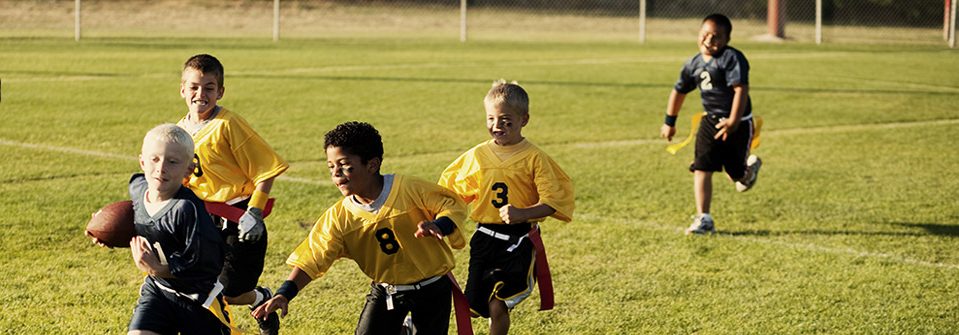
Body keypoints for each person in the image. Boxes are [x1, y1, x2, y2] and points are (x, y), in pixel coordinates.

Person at [251, 121, 469, 334]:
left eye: (345, 165)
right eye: (331, 166)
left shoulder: (409, 189)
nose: (336, 173)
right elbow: (313, 257)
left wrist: (440, 224)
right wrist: (284, 294)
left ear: (372, 165)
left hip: (431, 288)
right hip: (386, 291)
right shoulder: (339, 217)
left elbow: (450, 203)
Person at [438, 80, 575, 335]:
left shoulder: (535, 157)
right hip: (483, 240)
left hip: (518, 242)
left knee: (497, 304)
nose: (497, 126)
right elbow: (452, 192)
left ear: (524, 119)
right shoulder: (478, 155)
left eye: (505, 120)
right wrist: (438, 220)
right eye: (491, 119)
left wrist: (523, 213)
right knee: (472, 305)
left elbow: (552, 202)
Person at [176, 54, 288, 334]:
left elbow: (266, 168)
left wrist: (255, 211)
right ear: (182, 89)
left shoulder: (228, 124)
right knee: (201, 289)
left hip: (239, 220)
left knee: (230, 293)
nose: (200, 94)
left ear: (220, 91)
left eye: (209, 88)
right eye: (194, 87)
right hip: (203, 220)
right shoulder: (179, 131)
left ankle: (260, 297)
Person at [660, 13, 763, 235]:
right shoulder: (693, 64)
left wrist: (734, 120)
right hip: (710, 120)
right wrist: (670, 122)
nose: (708, 41)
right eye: (705, 35)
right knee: (702, 166)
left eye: (716, 37)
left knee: (735, 174)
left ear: (726, 40)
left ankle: (748, 172)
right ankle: (704, 218)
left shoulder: (733, 58)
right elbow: (679, 91)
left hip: (739, 123)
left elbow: (740, 90)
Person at [121, 124, 230, 334]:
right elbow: (140, 220)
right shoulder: (137, 187)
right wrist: (105, 232)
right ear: (142, 161)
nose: (161, 168)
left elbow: (206, 267)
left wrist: (159, 268)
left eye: (172, 162)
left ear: (188, 170)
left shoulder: (187, 209)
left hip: (198, 299)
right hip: (159, 291)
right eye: (154, 159)